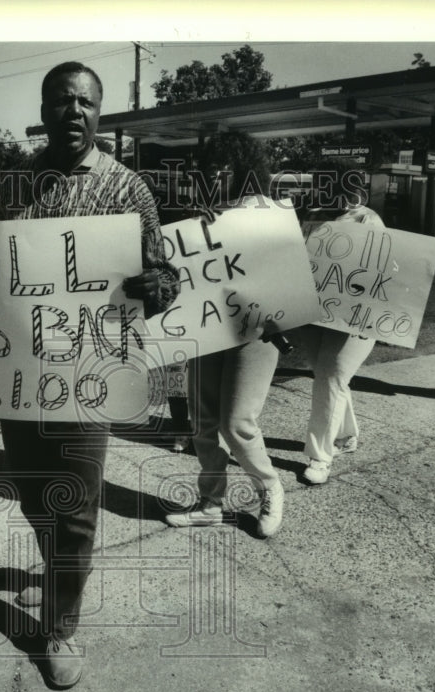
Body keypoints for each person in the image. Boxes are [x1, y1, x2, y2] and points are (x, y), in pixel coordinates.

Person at [0, 62, 179, 689]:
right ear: (44, 109)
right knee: (34, 495)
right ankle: (57, 571)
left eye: (84, 102)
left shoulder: (127, 190)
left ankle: (60, 628)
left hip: (89, 376)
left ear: (99, 112)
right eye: (61, 101)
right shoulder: (13, 186)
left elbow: (165, 279)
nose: (73, 113)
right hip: (21, 375)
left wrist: (155, 285)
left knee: (75, 507)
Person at [164, 132, 285, 538]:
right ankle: (210, 503)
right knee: (203, 422)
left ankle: (269, 487)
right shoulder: (202, 212)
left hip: (256, 330)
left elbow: (287, 277)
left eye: (227, 165)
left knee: (238, 424)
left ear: (247, 169)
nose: (218, 173)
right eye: (212, 165)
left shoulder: (269, 212)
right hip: (208, 323)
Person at [295, 201, 384, 485]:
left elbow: (384, 268)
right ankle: (346, 436)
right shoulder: (310, 215)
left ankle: (320, 456)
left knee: (331, 376)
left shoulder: (367, 219)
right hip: (315, 311)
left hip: (354, 317)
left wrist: (371, 314)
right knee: (328, 375)